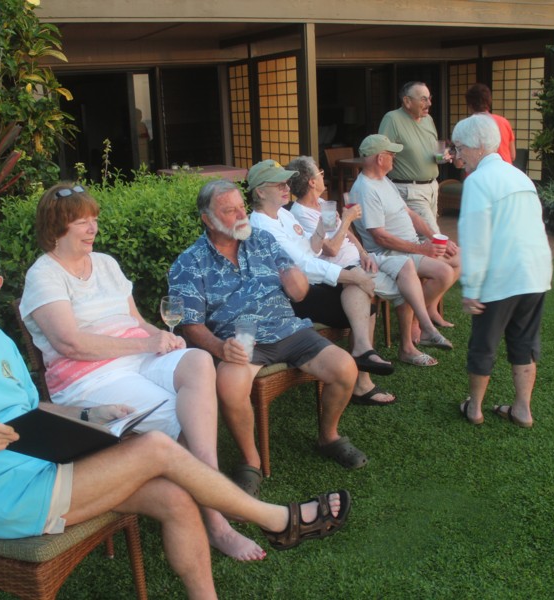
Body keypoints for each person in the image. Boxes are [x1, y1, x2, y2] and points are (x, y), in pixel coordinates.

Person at [0, 229, 351, 599]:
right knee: (156, 448)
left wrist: (88, 413)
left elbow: (31, 410)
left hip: (47, 466)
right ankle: (276, 519)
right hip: (8, 500)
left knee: (174, 498)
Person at [18, 183, 264, 561]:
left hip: (138, 358)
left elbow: (135, 320)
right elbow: (70, 344)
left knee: (198, 360)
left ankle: (211, 486)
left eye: (94, 219)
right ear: (56, 228)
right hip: (91, 378)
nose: (92, 228)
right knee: (178, 411)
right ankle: (217, 521)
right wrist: (146, 345)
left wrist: (161, 337)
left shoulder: (105, 263)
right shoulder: (44, 276)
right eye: (82, 222)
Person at [169, 179, 368, 497]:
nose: (241, 215)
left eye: (241, 207)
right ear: (208, 219)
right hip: (241, 341)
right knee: (230, 386)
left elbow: (299, 292)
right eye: (230, 211)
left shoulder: (262, 239)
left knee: (345, 368)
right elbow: (190, 324)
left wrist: (297, 282)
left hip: (288, 329)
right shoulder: (189, 263)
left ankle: (329, 437)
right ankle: (251, 461)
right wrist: (220, 347)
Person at [246, 159, 397, 406]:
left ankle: (362, 357)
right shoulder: (262, 226)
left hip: (308, 284)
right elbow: (302, 265)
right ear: (260, 192)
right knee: (359, 295)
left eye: (286, 183)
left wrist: (321, 227)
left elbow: (310, 248)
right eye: (279, 184)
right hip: (288, 296)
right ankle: (362, 375)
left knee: (357, 290)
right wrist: (352, 275)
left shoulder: (282, 213)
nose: (287, 188)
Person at [286, 155, 449, 368]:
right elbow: (331, 249)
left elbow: (348, 235)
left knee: (405, 265)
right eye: (320, 173)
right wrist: (347, 219)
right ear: (311, 182)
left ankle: (426, 328)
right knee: (407, 289)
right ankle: (408, 348)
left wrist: (363, 252)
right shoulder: (300, 214)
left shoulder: (323, 204)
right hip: (344, 269)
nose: (323, 176)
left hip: (360, 259)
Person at [452, 114, 552, 428]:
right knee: (524, 341)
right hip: (535, 272)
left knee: (484, 343)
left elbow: (475, 237)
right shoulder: (520, 177)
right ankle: (522, 409)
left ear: (478, 146)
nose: (458, 156)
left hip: (501, 275)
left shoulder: (478, 181)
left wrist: (471, 288)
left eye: (460, 148)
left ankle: (474, 409)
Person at [349, 134, 460, 341]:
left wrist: (436, 237)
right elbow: (380, 238)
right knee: (444, 273)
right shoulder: (365, 189)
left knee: (459, 257)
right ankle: (416, 321)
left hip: (411, 246)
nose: (395, 158)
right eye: (391, 154)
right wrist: (422, 249)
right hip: (391, 254)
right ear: (380, 158)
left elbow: (411, 214)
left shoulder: (384, 180)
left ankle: (427, 310)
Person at [378, 81, 451, 239]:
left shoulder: (428, 119)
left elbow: (432, 147)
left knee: (424, 238)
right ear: (407, 101)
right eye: (423, 99)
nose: (429, 103)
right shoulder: (392, 119)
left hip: (432, 187)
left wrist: (442, 155)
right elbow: (381, 153)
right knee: (434, 236)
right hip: (409, 190)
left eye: (429, 98)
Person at [465, 83, 516, 165]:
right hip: (505, 169)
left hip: (481, 170)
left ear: (470, 105)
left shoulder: (468, 126)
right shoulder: (504, 122)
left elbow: (461, 161)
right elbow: (512, 155)